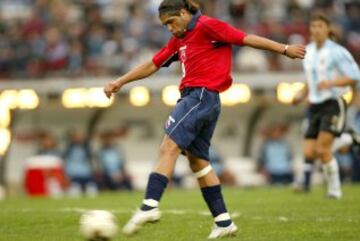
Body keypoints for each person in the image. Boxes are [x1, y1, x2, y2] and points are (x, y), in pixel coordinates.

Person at [104, 0, 305, 238]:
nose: (169, 27)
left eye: (171, 21)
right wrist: (120, 82)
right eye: (164, 25)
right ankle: (223, 221)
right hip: (202, 99)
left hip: (200, 96)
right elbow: (153, 63)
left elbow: (246, 38)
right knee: (198, 162)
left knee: (168, 146)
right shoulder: (180, 38)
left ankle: (149, 205)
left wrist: (284, 49)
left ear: (182, 12)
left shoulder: (208, 25)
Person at [293, 13, 360, 198]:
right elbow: (310, 80)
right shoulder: (307, 52)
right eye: (313, 26)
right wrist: (301, 94)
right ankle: (347, 138)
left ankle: (334, 191)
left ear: (327, 29)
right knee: (309, 152)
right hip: (314, 105)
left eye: (320, 26)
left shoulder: (338, 51)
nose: (316, 29)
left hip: (333, 103)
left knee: (323, 150)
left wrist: (332, 83)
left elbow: (355, 76)